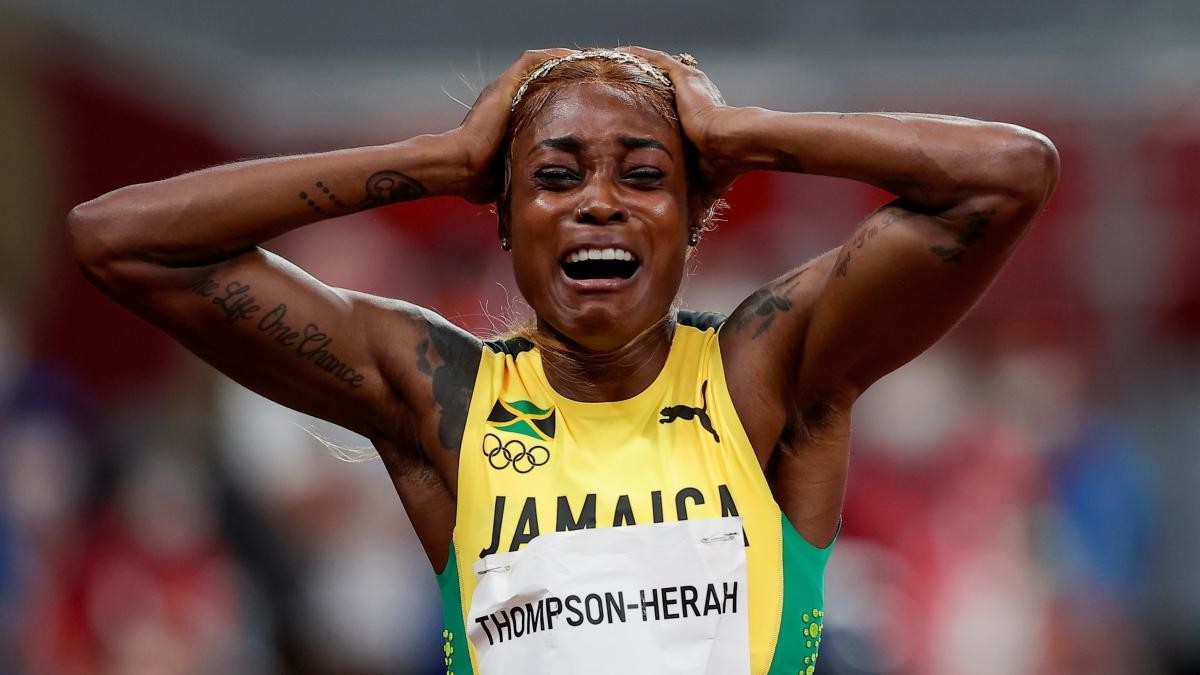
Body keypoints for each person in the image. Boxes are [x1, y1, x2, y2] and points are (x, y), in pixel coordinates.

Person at [67, 46, 1059, 674]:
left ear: (692, 217)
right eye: (553, 175)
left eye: (644, 175)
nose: (598, 202)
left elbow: (1010, 176)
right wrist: (443, 159)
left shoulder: (766, 374)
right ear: (503, 217)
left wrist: (739, 133)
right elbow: (118, 240)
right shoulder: (446, 397)